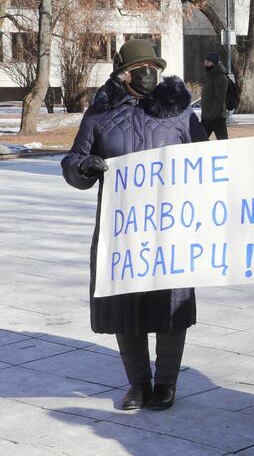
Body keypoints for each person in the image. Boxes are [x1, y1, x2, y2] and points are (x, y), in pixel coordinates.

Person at [61, 39, 207, 411]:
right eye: (141, 68)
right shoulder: (99, 114)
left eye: (154, 68)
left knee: (170, 302)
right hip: (121, 227)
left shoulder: (179, 113)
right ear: (123, 75)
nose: (148, 75)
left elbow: (207, 161)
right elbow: (73, 162)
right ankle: (138, 384)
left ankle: (167, 384)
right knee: (125, 305)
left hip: (169, 225)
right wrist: (83, 168)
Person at [201, 51, 229, 140]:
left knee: (223, 143)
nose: (206, 64)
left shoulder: (220, 77)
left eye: (208, 62)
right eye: (205, 61)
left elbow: (220, 98)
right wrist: (206, 116)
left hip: (217, 117)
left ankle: (229, 154)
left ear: (215, 63)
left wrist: (211, 116)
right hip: (207, 116)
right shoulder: (210, 76)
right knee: (199, 141)